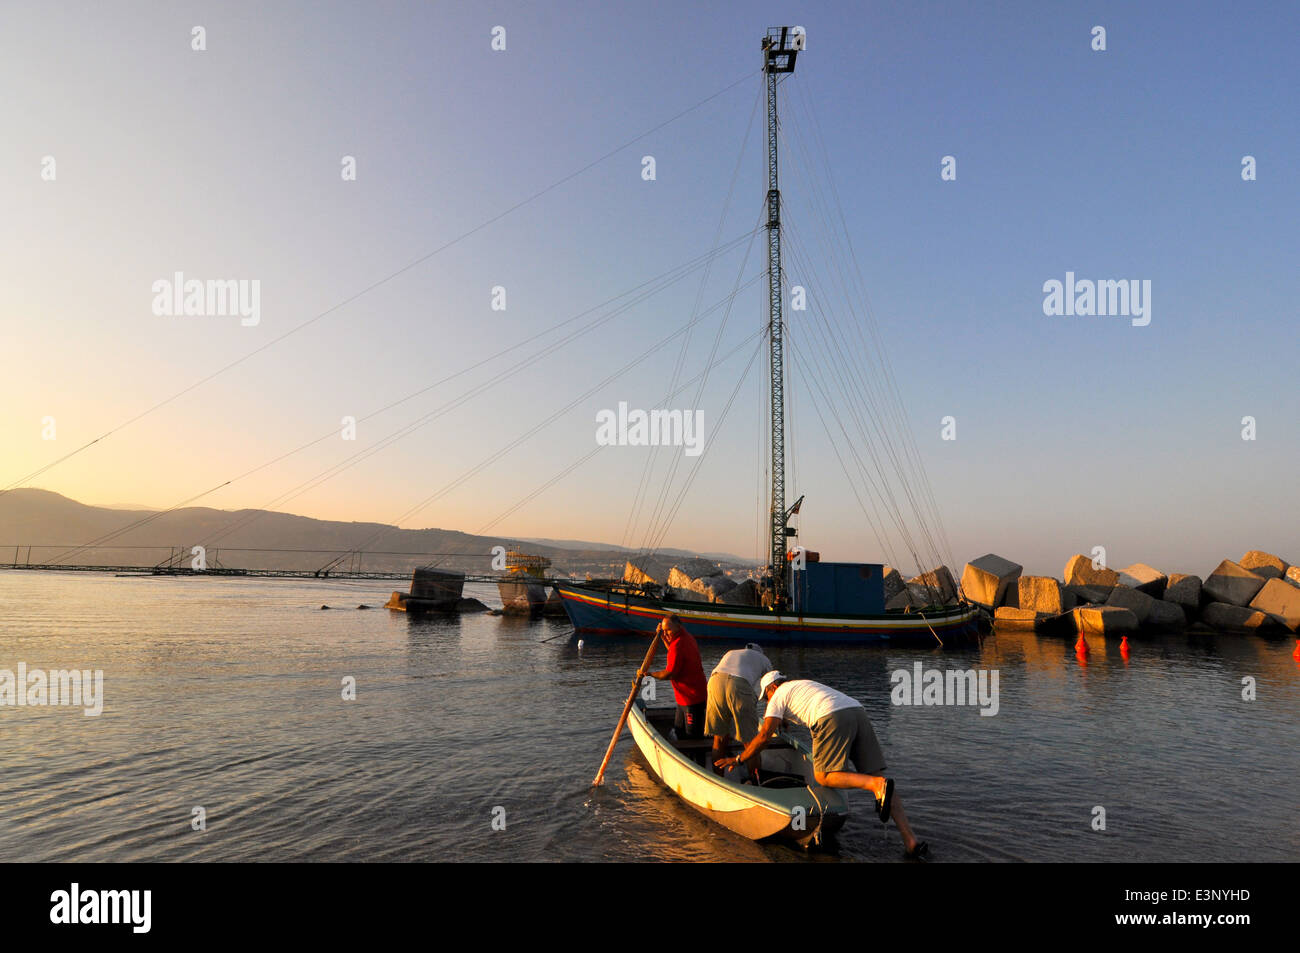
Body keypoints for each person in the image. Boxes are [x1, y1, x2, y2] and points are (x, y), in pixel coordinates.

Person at [716, 671, 928, 858]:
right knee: (877, 773)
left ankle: (875, 785)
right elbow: (800, 707)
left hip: (831, 716)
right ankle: (910, 840)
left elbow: (764, 736)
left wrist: (738, 759)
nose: (767, 702)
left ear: (772, 688)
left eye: (766, 698)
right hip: (857, 711)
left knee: (823, 776)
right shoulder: (801, 685)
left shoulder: (778, 695)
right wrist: (784, 720)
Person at [705, 643, 772, 775]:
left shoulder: (731, 652)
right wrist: (776, 717)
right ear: (761, 653)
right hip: (738, 685)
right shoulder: (763, 659)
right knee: (751, 743)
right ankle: (756, 784)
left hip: (714, 682)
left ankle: (718, 779)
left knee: (719, 738)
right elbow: (772, 688)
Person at [647, 615, 708, 740]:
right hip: (684, 697)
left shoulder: (679, 644)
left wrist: (650, 675)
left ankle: (696, 759)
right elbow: (674, 652)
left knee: (693, 736)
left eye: (668, 630)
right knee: (679, 730)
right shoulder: (687, 637)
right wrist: (664, 637)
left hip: (692, 698)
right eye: (664, 630)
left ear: (678, 626)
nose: (666, 633)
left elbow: (670, 674)